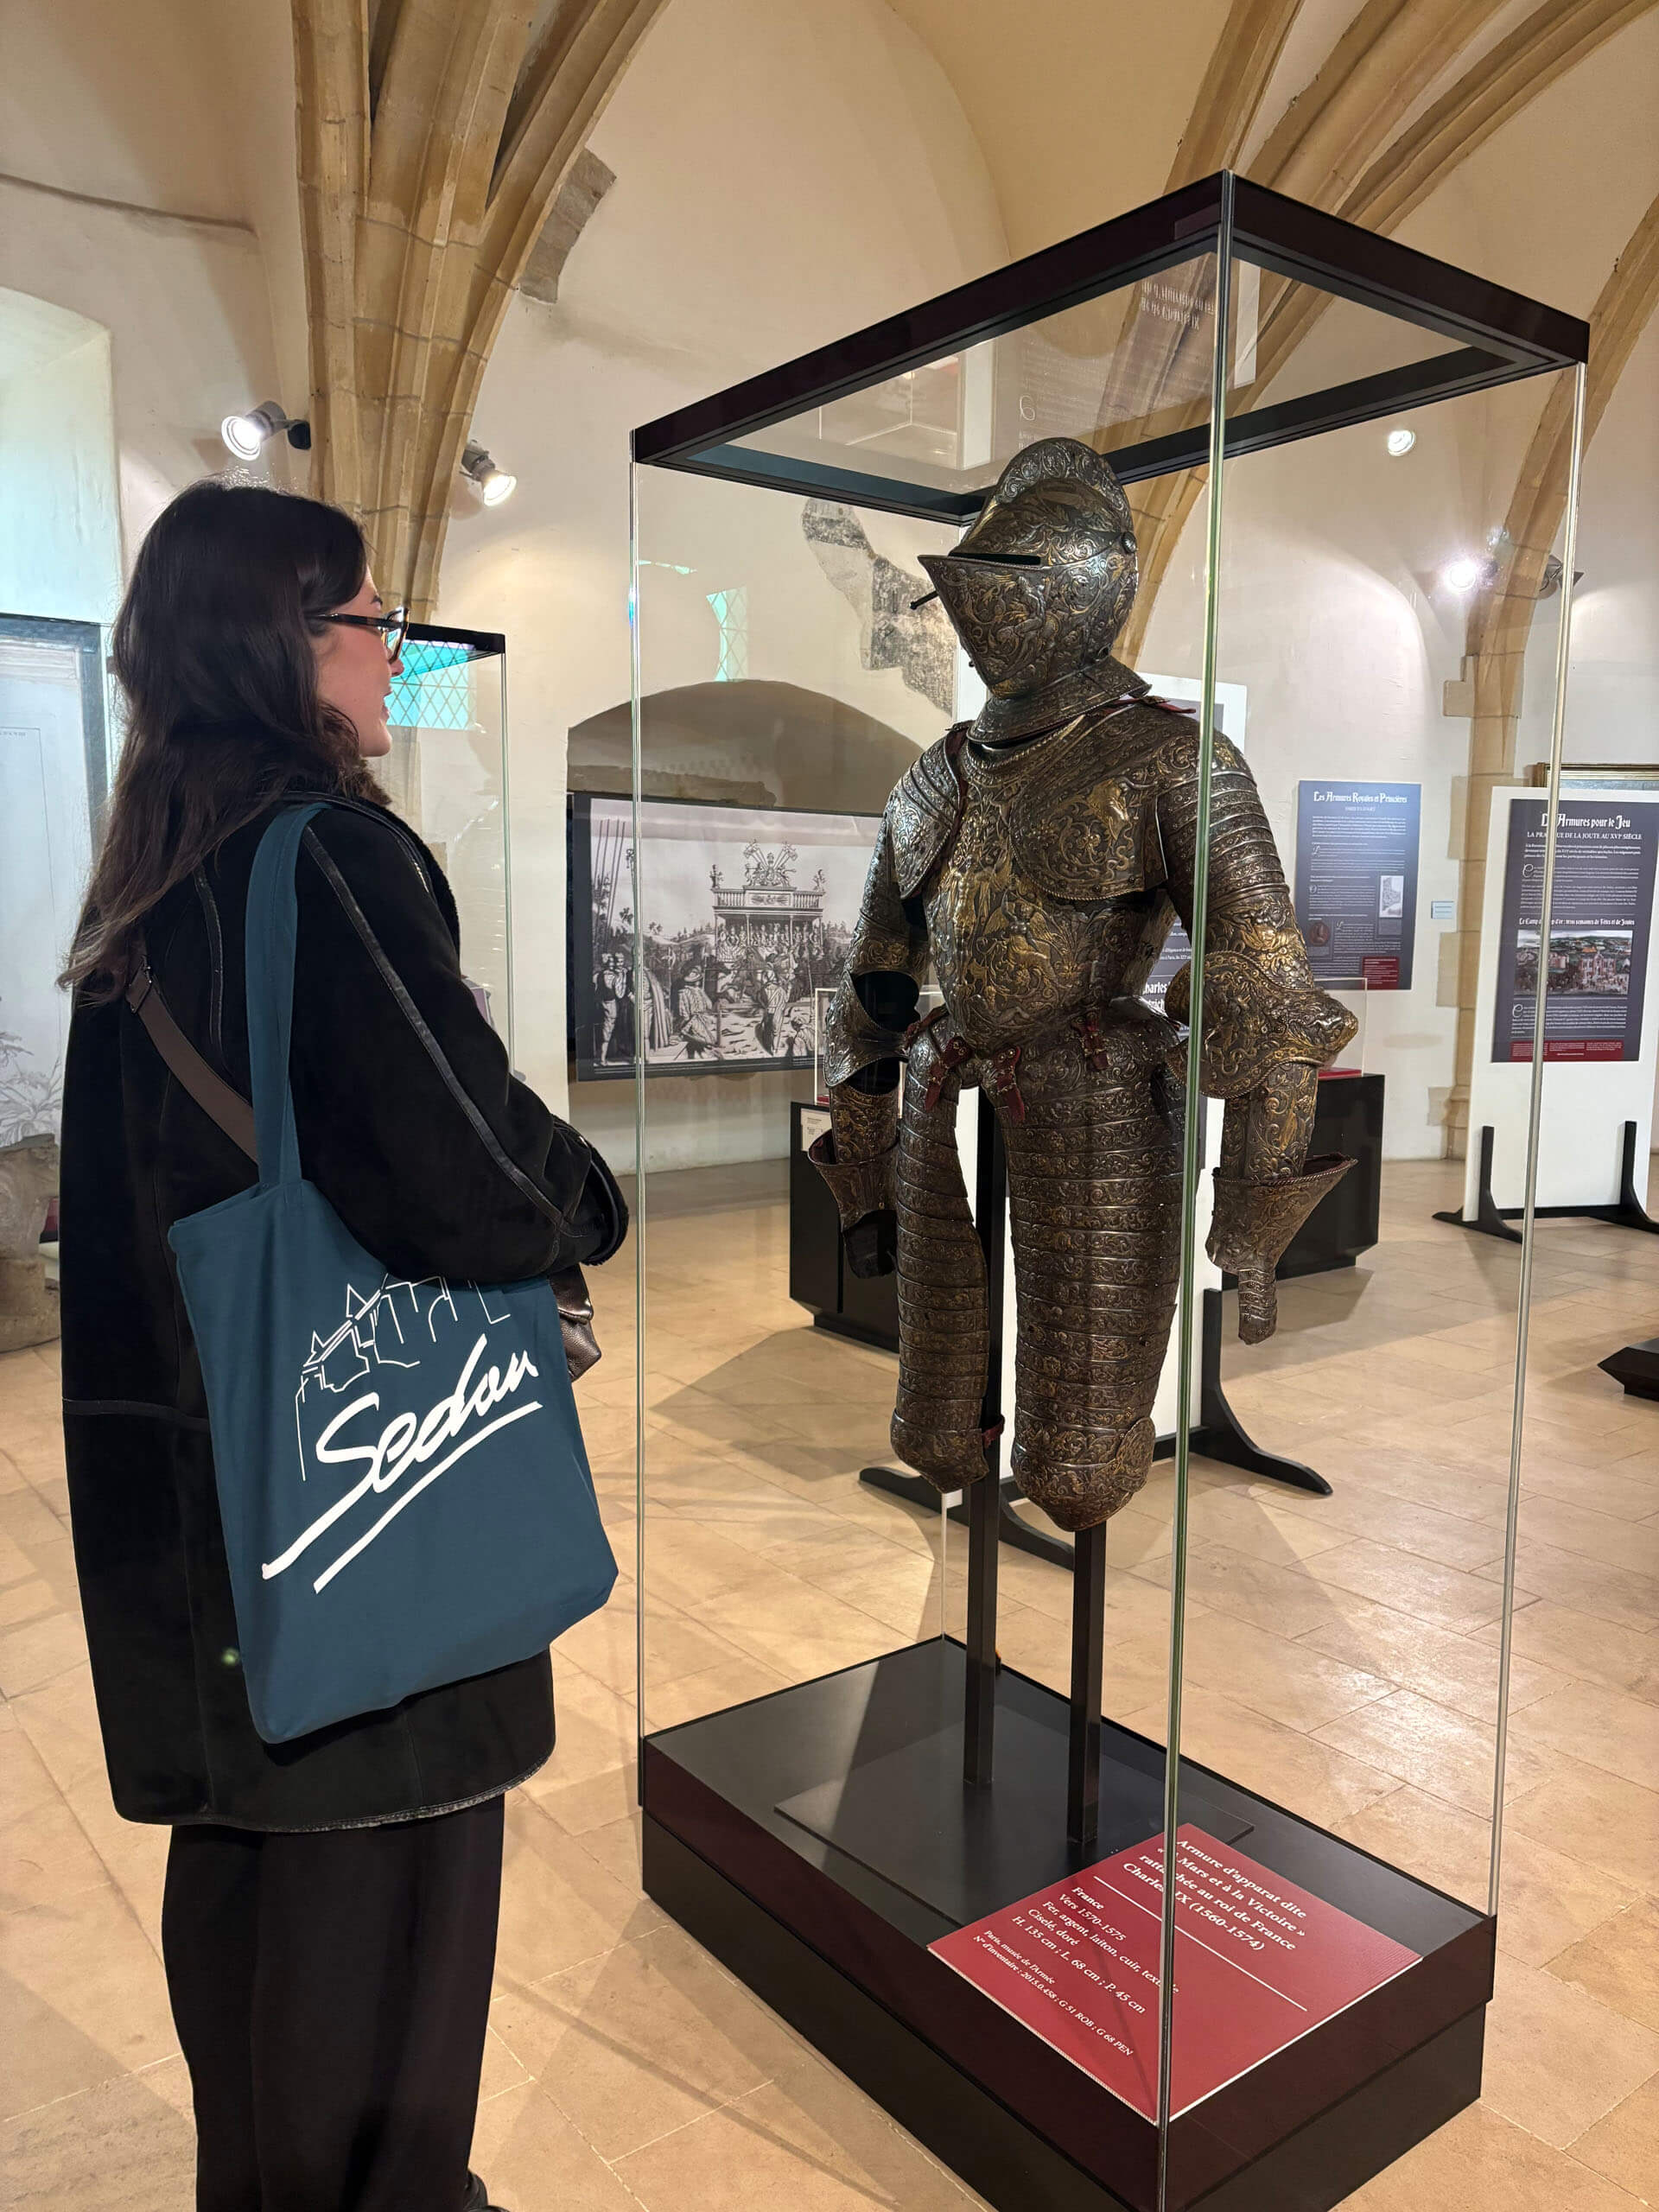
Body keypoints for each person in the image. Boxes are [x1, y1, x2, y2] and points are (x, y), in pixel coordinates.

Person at [55, 479, 626, 2212]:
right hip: (363, 1481)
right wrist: (583, 1203)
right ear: (283, 641)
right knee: (394, 1898)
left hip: (207, 1478)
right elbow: (456, 1169)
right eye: (376, 620)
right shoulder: (333, 854)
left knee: (250, 1876)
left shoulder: (152, 876)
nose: (395, 655)